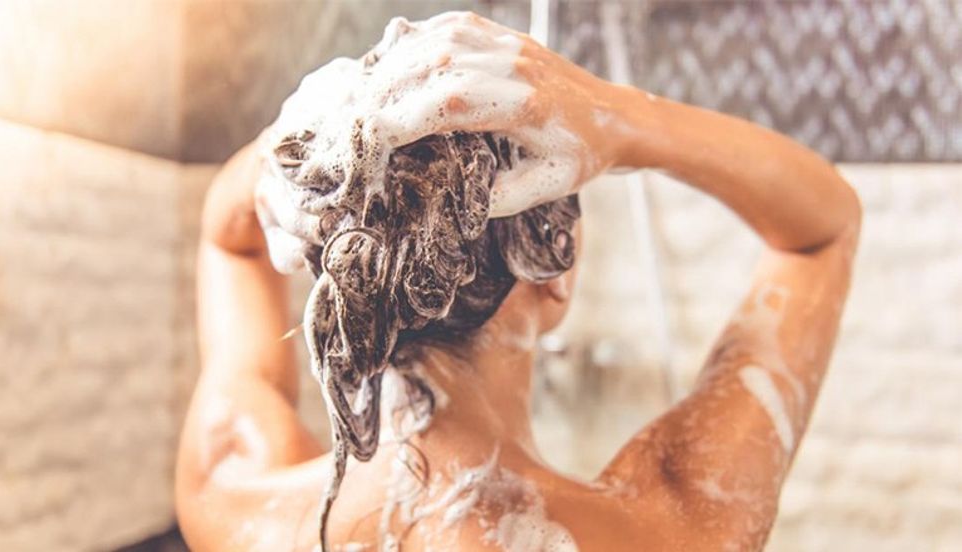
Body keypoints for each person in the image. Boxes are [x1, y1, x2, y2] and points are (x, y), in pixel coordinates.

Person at [175, 12, 861, 552]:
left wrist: (305, 143)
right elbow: (822, 229)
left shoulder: (237, 498)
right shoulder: (676, 525)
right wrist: (626, 117)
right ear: (553, 276)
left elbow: (226, 237)